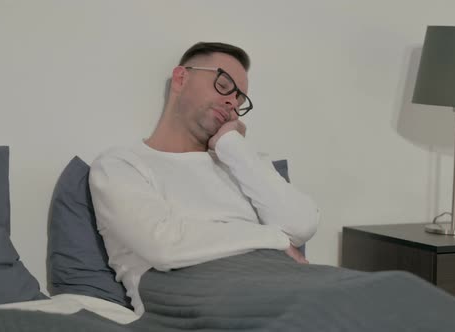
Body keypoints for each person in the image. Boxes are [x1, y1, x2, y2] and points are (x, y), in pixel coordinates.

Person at [89, 42, 320, 315]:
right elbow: (163, 244)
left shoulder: (242, 164)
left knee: (376, 294)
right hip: (198, 296)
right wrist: (275, 239)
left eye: (240, 100)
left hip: (282, 283)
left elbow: (302, 225)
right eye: (224, 85)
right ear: (181, 78)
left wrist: (233, 146)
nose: (232, 102)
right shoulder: (121, 165)